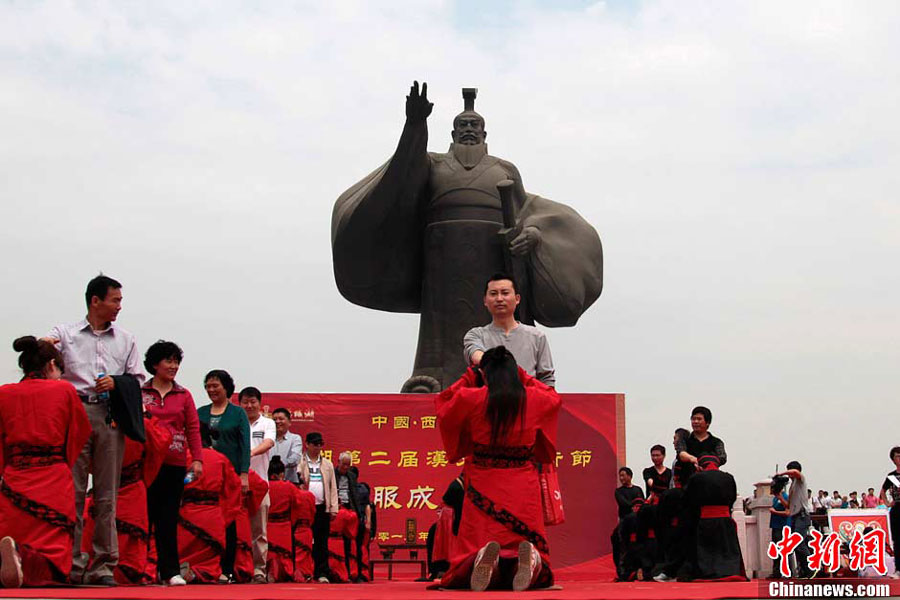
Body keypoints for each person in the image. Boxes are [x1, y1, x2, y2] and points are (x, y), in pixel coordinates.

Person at [333, 82, 603, 392]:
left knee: (498, 307)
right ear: (452, 133)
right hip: (441, 254)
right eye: (463, 125)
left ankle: (510, 378)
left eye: (475, 125)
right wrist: (415, 124)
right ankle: (432, 377)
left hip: (493, 253)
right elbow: (403, 170)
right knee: (439, 320)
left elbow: (524, 210)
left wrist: (531, 235)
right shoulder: (433, 163)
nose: (469, 130)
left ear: (485, 133)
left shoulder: (505, 169)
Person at [44, 275, 145, 586]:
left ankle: (102, 566)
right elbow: (43, 353)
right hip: (74, 412)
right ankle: (70, 564)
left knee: (106, 495)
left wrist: (117, 383)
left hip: (109, 414)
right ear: (95, 301)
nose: (119, 307)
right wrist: (46, 348)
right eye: (115, 300)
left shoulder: (126, 339)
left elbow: (138, 379)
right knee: (72, 491)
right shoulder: (65, 333)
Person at [435, 345, 560, 591]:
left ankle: (481, 560)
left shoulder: (472, 398)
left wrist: (469, 377)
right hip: (523, 483)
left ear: (486, 373)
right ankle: (530, 560)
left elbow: (444, 404)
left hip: (483, 481)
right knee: (523, 540)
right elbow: (554, 398)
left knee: (477, 540)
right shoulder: (534, 399)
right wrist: (522, 375)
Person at [0, 336, 91, 588]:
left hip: (15, 478)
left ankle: (14, 556)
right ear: (52, 365)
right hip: (52, 477)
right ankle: (23, 559)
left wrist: (8, 470)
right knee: (52, 551)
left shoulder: (4, 393)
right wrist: (62, 463)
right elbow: (79, 433)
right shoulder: (63, 390)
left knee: (14, 529)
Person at [140, 340, 203, 585]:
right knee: (142, 516)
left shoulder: (183, 395)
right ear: (155, 364)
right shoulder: (141, 393)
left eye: (177, 361)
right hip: (146, 464)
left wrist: (197, 459)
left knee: (167, 518)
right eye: (169, 360)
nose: (174, 366)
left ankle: (170, 571)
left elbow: (193, 429)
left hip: (175, 463)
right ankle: (141, 568)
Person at [80, 417, 170, 585]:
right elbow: (160, 445)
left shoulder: (139, 422)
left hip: (116, 487)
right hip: (127, 486)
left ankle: (96, 570)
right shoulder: (142, 423)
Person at [197, 369, 250, 582]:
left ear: (226, 387)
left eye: (215, 386)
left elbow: (244, 445)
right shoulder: (200, 412)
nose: (211, 390)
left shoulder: (238, 413)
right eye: (208, 386)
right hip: (204, 477)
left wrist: (244, 474)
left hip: (231, 476)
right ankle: (202, 564)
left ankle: (226, 568)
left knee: (228, 521)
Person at [463, 273, 555, 387]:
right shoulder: (476, 334)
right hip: (488, 400)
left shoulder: (536, 337)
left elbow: (546, 379)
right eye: (493, 294)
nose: (499, 299)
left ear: (517, 299)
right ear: (485, 301)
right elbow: (475, 354)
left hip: (528, 401)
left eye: (505, 293)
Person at [177, 423, 241, 584]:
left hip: (186, 515)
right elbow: (234, 490)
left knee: (184, 551)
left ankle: (183, 571)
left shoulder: (184, 456)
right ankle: (202, 572)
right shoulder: (221, 459)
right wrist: (224, 516)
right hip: (212, 515)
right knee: (210, 560)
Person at [680, 455, 746, 581]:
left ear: (701, 465)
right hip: (725, 519)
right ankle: (729, 571)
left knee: (707, 550)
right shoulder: (728, 477)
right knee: (726, 549)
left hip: (706, 518)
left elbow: (688, 499)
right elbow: (732, 497)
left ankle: (708, 572)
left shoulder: (696, 478)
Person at [240, 386, 275, 583]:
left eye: (253, 401)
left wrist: (250, 453)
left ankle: (259, 569)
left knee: (259, 529)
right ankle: (238, 568)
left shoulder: (267, 423)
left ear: (259, 404)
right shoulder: (237, 422)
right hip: (237, 481)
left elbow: (269, 443)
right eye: (245, 402)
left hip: (260, 483)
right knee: (237, 527)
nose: (249, 405)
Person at [299, 431, 338, 583]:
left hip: (322, 507)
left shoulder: (327, 464)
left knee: (322, 541)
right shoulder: (300, 462)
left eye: (320, 444)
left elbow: (332, 487)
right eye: (314, 444)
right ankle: (304, 571)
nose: (318, 447)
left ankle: (322, 573)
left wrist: (333, 508)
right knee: (304, 541)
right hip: (305, 509)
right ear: (307, 444)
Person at [265, 457, 305, 583]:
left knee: (269, 552)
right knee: (284, 553)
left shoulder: (264, 485)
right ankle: (284, 573)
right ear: (282, 473)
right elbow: (298, 504)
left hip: (267, 524)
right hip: (284, 525)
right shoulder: (288, 487)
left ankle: (269, 572)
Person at [776, 461, 815, 578]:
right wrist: (778, 496)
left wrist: (780, 474)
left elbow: (795, 472)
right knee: (796, 545)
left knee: (798, 543)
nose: (788, 476)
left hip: (802, 516)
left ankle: (810, 569)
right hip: (795, 517)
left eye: (789, 472)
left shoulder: (801, 480)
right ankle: (805, 570)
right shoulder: (792, 486)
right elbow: (789, 505)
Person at [328, 452, 361, 582]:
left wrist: (358, 513)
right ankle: (334, 572)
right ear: (338, 462)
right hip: (336, 509)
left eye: (348, 465)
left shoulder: (352, 477)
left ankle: (351, 573)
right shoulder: (331, 474)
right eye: (344, 464)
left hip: (349, 509)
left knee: (350, 542)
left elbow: (355, 495)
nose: (346, 467)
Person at [611, 466, 644, 579]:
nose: (621, 478)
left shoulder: (638, 489)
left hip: (637, 523)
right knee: (620, 545)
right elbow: (624, 504)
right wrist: (634, 505)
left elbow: (642, 503)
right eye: (620, 476)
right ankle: (622, 572)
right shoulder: (618, 491)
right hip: (624, 522)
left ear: (630, 476)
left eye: (623, 475)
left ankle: (637, 570)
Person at [292, 475, 317, 583]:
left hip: (297, 528)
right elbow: (313, 512)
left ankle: (299, 574)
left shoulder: (293, 495)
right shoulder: (310, 495)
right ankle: (307, 573)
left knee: (298, 553)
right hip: (307, 528)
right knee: (307, 553)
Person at [880, 447, 900, 575]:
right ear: (893, 459)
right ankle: (899, 569)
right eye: (897, 456)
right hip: (897, 508)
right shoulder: (892, 476)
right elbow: (883, 491)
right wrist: (887, 502)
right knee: (898, 540)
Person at [767, 475, 792, 579]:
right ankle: (776, 572)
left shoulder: (784, 497)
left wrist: (775, 512)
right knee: (776, 550)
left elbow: (788, 512)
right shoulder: (775, 499)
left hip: (783, 527)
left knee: (784, 550)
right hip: (775, 526)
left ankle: (787, 572)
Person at [272, 408, 302, 484]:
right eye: (274, 419)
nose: (277, 421)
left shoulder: (295, 438)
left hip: (290, 482)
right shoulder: (267, 439)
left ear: (289, 422)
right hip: (270, 482)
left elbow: (295, 458)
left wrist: (276, 467)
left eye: (281, 419)